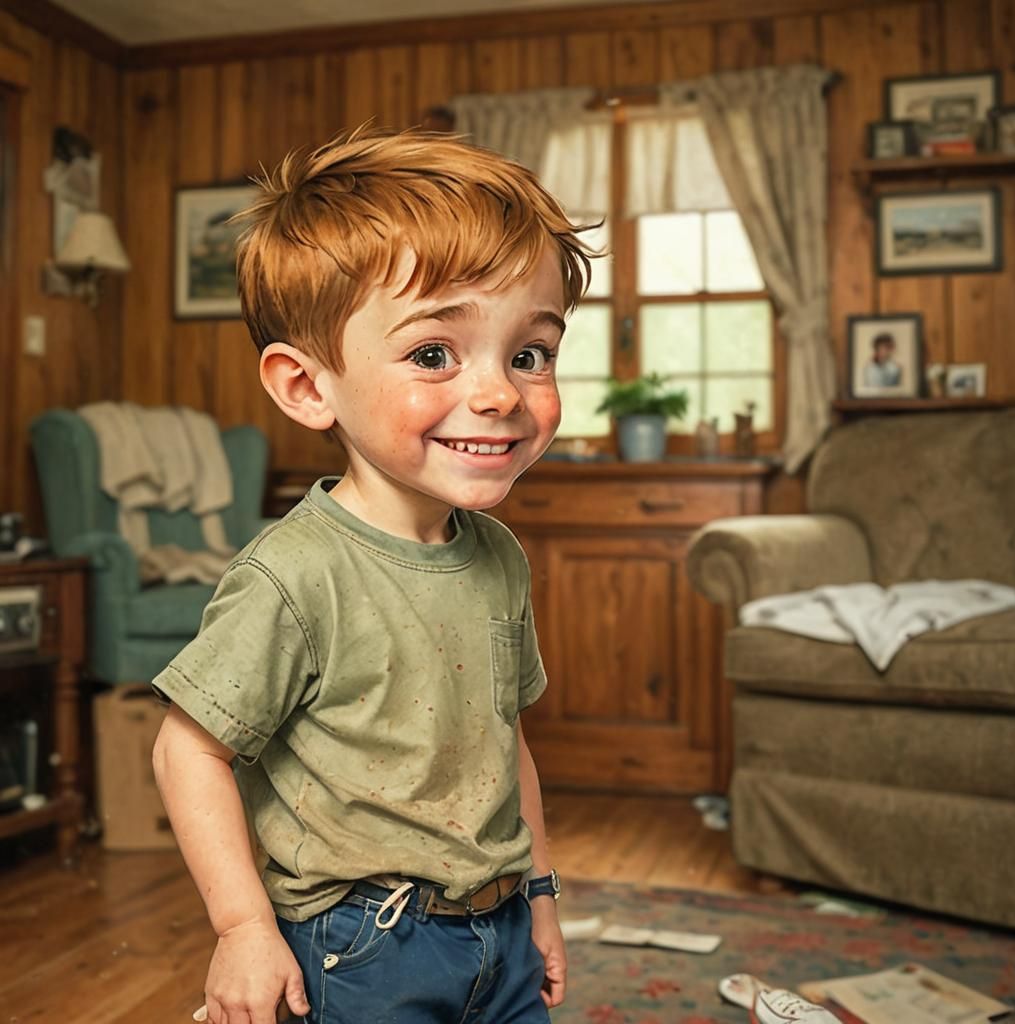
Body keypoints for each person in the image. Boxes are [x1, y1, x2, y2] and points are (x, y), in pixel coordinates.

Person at [151, 124, 597, 1024]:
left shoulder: (497, 555)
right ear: (308, 387)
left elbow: (503, 740)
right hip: (360, 947)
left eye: (530, 352)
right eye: (434, 354)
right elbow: (186, 748)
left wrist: (540, 897)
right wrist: (242, 929)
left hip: (500, 929)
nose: (501, 393)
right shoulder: (293, 575)